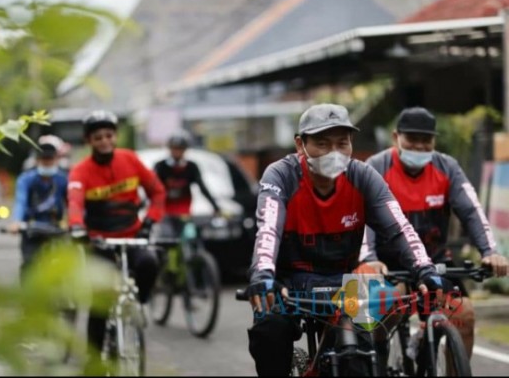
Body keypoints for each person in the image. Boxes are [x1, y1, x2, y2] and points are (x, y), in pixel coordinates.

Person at [245, 103, 448, 376]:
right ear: (299, 144)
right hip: (287, 283)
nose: (334, 153)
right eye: (322, 143)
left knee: (362, 353)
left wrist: (425, 269)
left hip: (346, 282)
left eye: (342, 143)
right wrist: (263, 275)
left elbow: (400, 228)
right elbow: (268, 228)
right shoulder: (280, 175)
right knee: (269, 330)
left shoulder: (363, 176)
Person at [359, 106, 508, 359]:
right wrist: (369, 258)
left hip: (434, 262)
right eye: (412, 139)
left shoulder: (447, 167)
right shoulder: (375, 167)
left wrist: (490, 251)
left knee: (463, 314)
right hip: (384, 263)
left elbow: (472, 211)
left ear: (434, 141)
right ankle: (377, 357)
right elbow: (361, 217)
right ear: (396, 138)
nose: (419, 146)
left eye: (426, 140)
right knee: (372, 316)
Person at [66, 109, 166, 359]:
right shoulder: (81, 171)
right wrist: (77, 226)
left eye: (109, 135)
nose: (104, 141)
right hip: (99, 241)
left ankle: (140, 303)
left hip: (132, 235)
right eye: (98, 137)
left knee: (150, 262)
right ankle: (93, 363)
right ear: (89, 141)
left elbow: (158, 192)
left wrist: (150, 222)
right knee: (100, 305)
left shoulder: (130, 160)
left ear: (116, 136)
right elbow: (75, 202)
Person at [6, 139, 69, 283]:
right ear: (37, 160)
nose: (47, 162)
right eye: (43, 159)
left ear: (56, 159)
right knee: (29, 265)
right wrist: (16, 222)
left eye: (50, 159)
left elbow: (72, 202)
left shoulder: (63, 179)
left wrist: (75, 222)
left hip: (56, 229)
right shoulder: (26, 180)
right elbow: (20, 202)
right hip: (31, 229)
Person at [153, 130, 222, 239]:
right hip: (166, 211)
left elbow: (202, 187)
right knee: (166, 238)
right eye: (174, 148)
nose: (177, 152)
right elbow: (153, 189)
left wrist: (215, 206)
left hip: (184, 210)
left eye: (180, 148)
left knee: (189, 238)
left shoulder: (191, 167)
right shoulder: (160, 167)